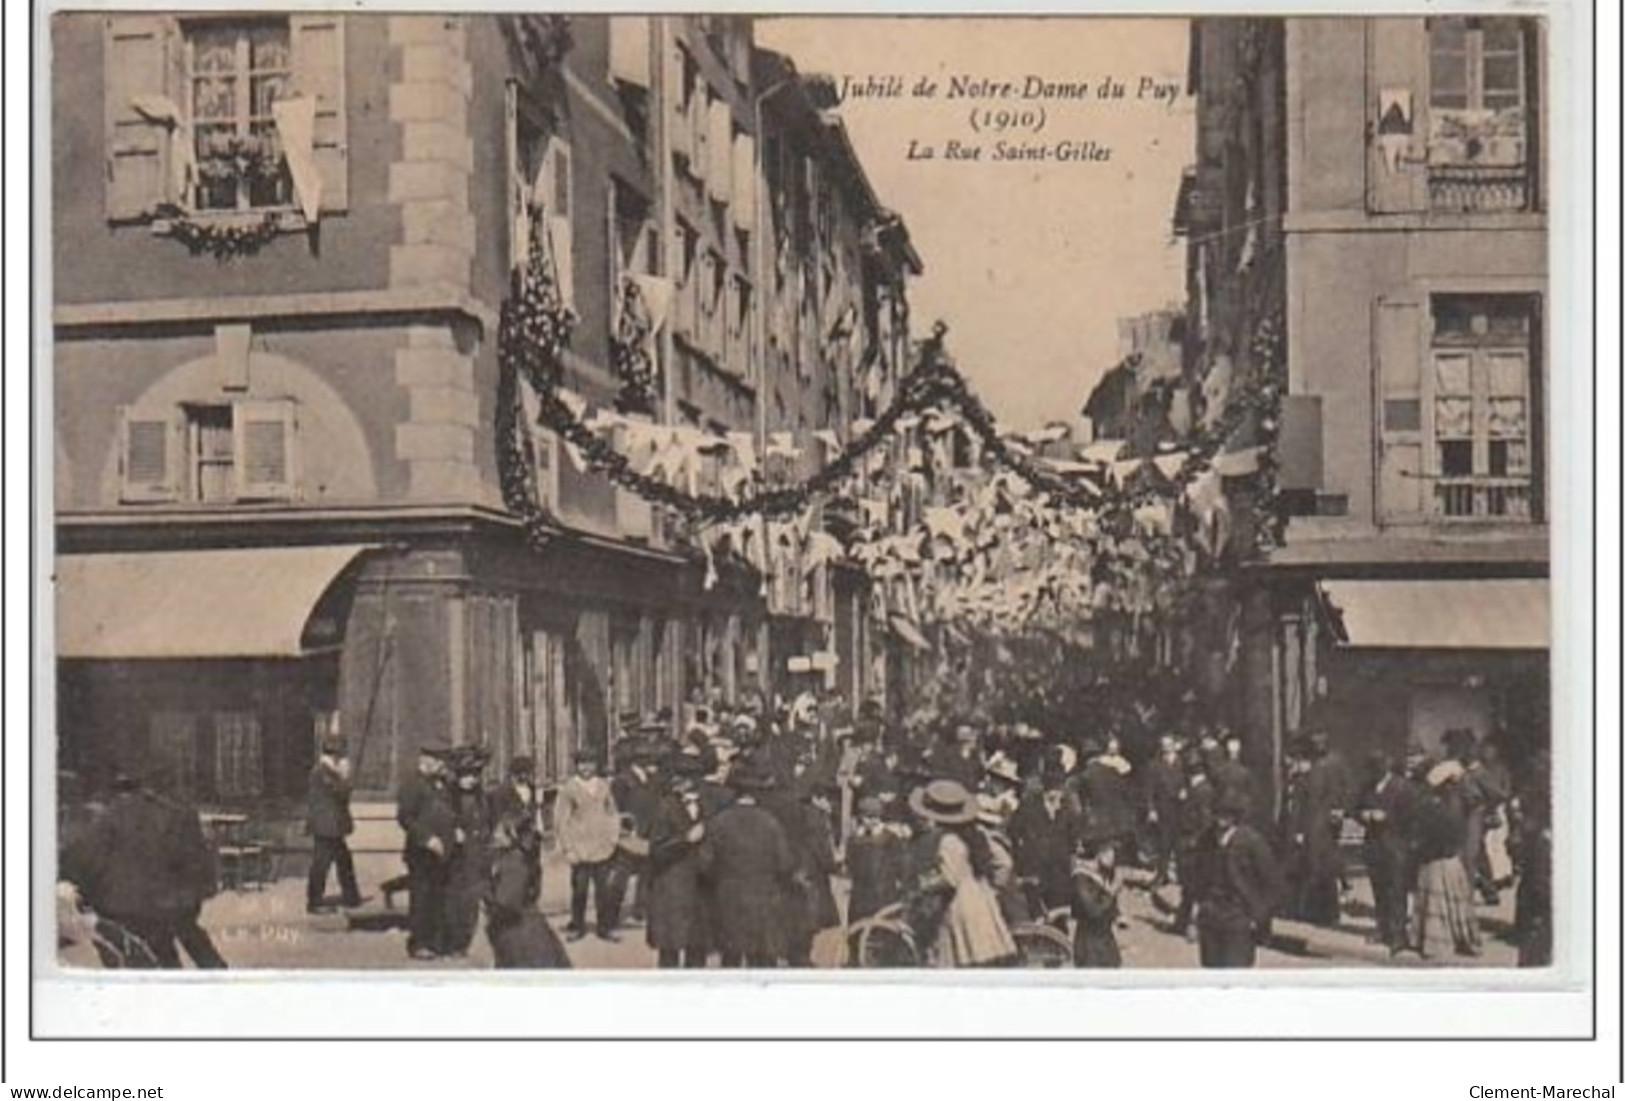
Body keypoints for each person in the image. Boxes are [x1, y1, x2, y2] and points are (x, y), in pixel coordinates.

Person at [698, 756, 796, 967]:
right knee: (761, 960)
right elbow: (785, 864)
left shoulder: (719, 823)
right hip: (763, 900)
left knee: (731, 959)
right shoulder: (771, 823)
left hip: (728, 900)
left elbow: (705, 866)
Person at [909, 779, 1019, 968]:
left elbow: (950, 879)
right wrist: (992, 889)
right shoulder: (977, 834)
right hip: (982, 899)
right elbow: (1004, 863)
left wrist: (924, 884)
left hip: (960, 906)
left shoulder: (948, 842)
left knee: (960, 959)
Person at [1195, 789, 1283, 968]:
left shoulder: (1252, 842)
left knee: (1236, 972)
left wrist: (1259, 917)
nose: (1221, 818)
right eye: (1217, 812)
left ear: (1236, 816)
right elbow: (1197, 878)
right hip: (1211, 916)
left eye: (1227, 814)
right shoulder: (1206, 839)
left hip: (1239, 916)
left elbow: (1272, 883)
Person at [645, 753, 712, 969]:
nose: (676, 781)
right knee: (670, 950)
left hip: (701, 888)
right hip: (672, 885)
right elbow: (656, 849)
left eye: (682, 777)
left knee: (697, 949)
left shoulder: (708, 805)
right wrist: (686, 840)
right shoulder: (665, 807)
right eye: (676, 776)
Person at [1412, 759, 1482, 959]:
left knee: (1440, 900)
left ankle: (1440, 942)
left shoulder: (1446, 805)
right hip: (1444, 857)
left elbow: (1442, 833)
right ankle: (1453, 937)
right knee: (1452, 901)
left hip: (1440, 858)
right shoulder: (1447, 803)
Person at [484, 813, 571, 969]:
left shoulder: (513, 864)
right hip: (528, 924)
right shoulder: (521, 858)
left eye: (499, 832)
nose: (495, 836)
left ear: (511, 837)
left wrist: (486, 897)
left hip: (518, 931)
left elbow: (507, 902)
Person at [1357, 748, 1422, 955]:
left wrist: (1387, 818)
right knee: (1379, 889)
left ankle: (1398, 935)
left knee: (1396, 890)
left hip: (1396, 846)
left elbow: (1412, 817)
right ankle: (1382, 928)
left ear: (1387, 765)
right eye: (1371, 767)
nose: (1375, 770)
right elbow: (1354, 807)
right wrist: (1364, 815)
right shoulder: (1367, 786)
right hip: (1374, 845)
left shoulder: (1403, 787)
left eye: (1378, 765)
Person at [397, 741, 458, 960]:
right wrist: (427, 839)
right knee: (422, 898)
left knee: (437, 897)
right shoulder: (413, 784)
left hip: (441, 851)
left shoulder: (439, 783)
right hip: (421, 852)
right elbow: (405, 818)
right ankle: (419, 943)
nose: (443, 766)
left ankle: (436, 942)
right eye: (439, 761)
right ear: (427, 761)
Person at [555, 751, 622, 942]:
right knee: (580, 890)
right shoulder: (569, 788)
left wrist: (613, 837)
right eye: (582, 764)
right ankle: (577, 926)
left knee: (604, 890)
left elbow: (612, 812)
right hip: (580, 849)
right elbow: (561, 820)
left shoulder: (603, 786)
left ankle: (605, 927)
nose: (586, 768)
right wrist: (568, 849)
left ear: (596, 765)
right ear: (576, 766)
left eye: (590, 763)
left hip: (602, 848)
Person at [1007, 774, 1082, 922]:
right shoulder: (1029, 806)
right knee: (1036, 914)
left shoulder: (1066, 809)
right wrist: (1019, 856)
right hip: (1035, 868)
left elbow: (1072, 840)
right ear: (1048, 793)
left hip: (1059, 871)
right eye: (1056, 795)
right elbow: (1013, 830)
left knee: (1058, 915)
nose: (1060, 800)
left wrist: (1072, 865)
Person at [443, 746, 492, 957]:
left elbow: (489, 821)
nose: (471, 780)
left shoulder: (483, 797)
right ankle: (453, 942)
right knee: (454, 900)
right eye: (466, 775)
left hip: (477, 854)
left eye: (475, 775)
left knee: (472, 900)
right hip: (456, 857)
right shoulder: (448, 798)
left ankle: (465, 941)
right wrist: (452, 831)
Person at [306, 734, 363, 914]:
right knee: (322, 863)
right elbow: (340, 793)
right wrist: (345, 779)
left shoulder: (327, 771)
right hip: (326, 826)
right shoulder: (323, 772)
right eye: (341, 754)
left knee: (343, 860)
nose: (343, 758)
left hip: (332, 825)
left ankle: (351, 896)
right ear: (334, 755)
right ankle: (314, 901)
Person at [845, 796, 910, 924]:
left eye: (874, 817)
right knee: (859, 925)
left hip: (883, 892)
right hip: (861, 893)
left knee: (883, 925)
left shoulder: (890, 838)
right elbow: (850, 863)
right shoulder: (855, 839)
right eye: (866, 817)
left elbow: (900, 864)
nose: (870, 821)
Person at [1173, 751, 1217, 938]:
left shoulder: (1203, 791)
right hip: (1190, 844)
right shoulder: (1196, 790)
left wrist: (1196, 842)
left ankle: (1194, 925)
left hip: (1196, 846)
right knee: (1189, 886)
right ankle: (1183, 922)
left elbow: (1205, 821)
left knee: (1196, 887)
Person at [1070, 827, 1123, 968]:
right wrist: (1112, 891)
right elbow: (1093, 911)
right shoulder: (1081, 878)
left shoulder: (1102, 874)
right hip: (1090, 947)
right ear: (1099, 853)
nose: (1113, 856)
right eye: (1110, 851)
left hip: (1104, 942)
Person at [1080, 735, 1137, 858]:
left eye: (1116, 749)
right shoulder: (1102, 767)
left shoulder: (1119, 765)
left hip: (1108, 802)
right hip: (1110, 802)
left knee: (1107, 827)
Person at [1143, 736, 1185, 887]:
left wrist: (1186, 792)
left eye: (1169, 745)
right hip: (1163, 809)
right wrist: (1151, 809)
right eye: (1163, 745)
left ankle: (1182, 876)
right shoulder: (1154, 765)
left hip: (1181, 809)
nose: (1166, 748)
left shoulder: (1183, 762)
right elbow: (1149, 790)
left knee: (1181, 844)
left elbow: (1190, 782)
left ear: (1174, 745)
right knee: (1163, 843)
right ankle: (1162, 874)